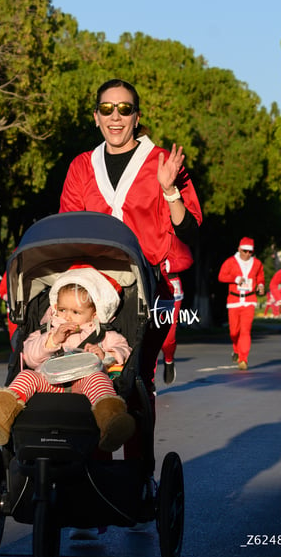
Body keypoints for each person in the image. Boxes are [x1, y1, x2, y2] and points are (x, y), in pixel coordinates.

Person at [59, 78, 202, 396]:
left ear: (137, 117)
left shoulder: (162, 162)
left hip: (150, 289)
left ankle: (141, 448)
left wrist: (169, 190)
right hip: (93, 292)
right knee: (90, 381)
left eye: (124, 109)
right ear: (96, 116)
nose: (115, 117)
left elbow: (189, 228)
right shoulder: (81, 166)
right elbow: (69, 229)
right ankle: (99, 443)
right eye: (107, 109)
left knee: (137, 379)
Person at [0, 265, 135, 452]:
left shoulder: (103, 334)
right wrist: (51, 341)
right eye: (62, 310)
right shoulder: (48, 331)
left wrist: (106, 355)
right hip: (49, 382)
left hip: (83, 382)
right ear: (55, 308)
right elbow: (29, 356)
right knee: (26, 377)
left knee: (98, 379)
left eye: (75, 312)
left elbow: (124, 349)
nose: (67, 316)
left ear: (94, 314)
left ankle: (110, 423)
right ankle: (0, 417)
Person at [218, 237, 265, 370]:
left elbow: (260, 276)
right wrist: (235, 278)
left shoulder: (257, 263)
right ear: (239, 249)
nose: (247, 254)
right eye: (245, 251)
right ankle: (236, 349)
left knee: (245, 330)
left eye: (250, 252)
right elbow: (221, 276)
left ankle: (243, 358)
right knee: (234, 331)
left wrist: (260, 285)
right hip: (234, 300)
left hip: (249, 300)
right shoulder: (230, 262)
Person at [161, 235, 194, 385]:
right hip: (149, 287)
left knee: (168, 338)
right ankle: (149, 384)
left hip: (172, 289)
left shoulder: (173, 237)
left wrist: (167, 265)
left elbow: (187, 259)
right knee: (148, 337)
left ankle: (169, 359)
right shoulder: (142, 231)